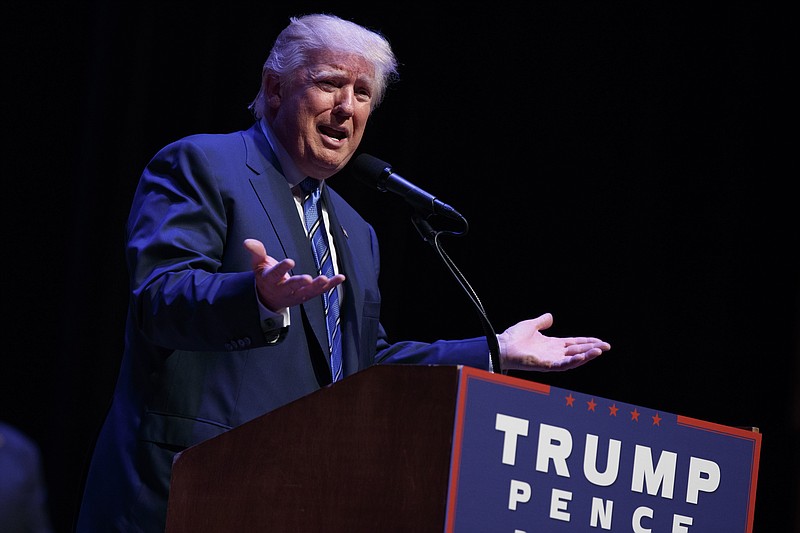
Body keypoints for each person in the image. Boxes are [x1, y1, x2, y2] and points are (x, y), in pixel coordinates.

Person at [76, 13, 611, 531]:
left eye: (362, 94)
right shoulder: (201, 164)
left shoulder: (356, 232)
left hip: (303, 497)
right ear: (276, 88)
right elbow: (159, 298)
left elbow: (366, 364)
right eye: (330, 84)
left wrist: (494, 351)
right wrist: (256, 298)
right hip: (193, 487)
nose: (346, 108)